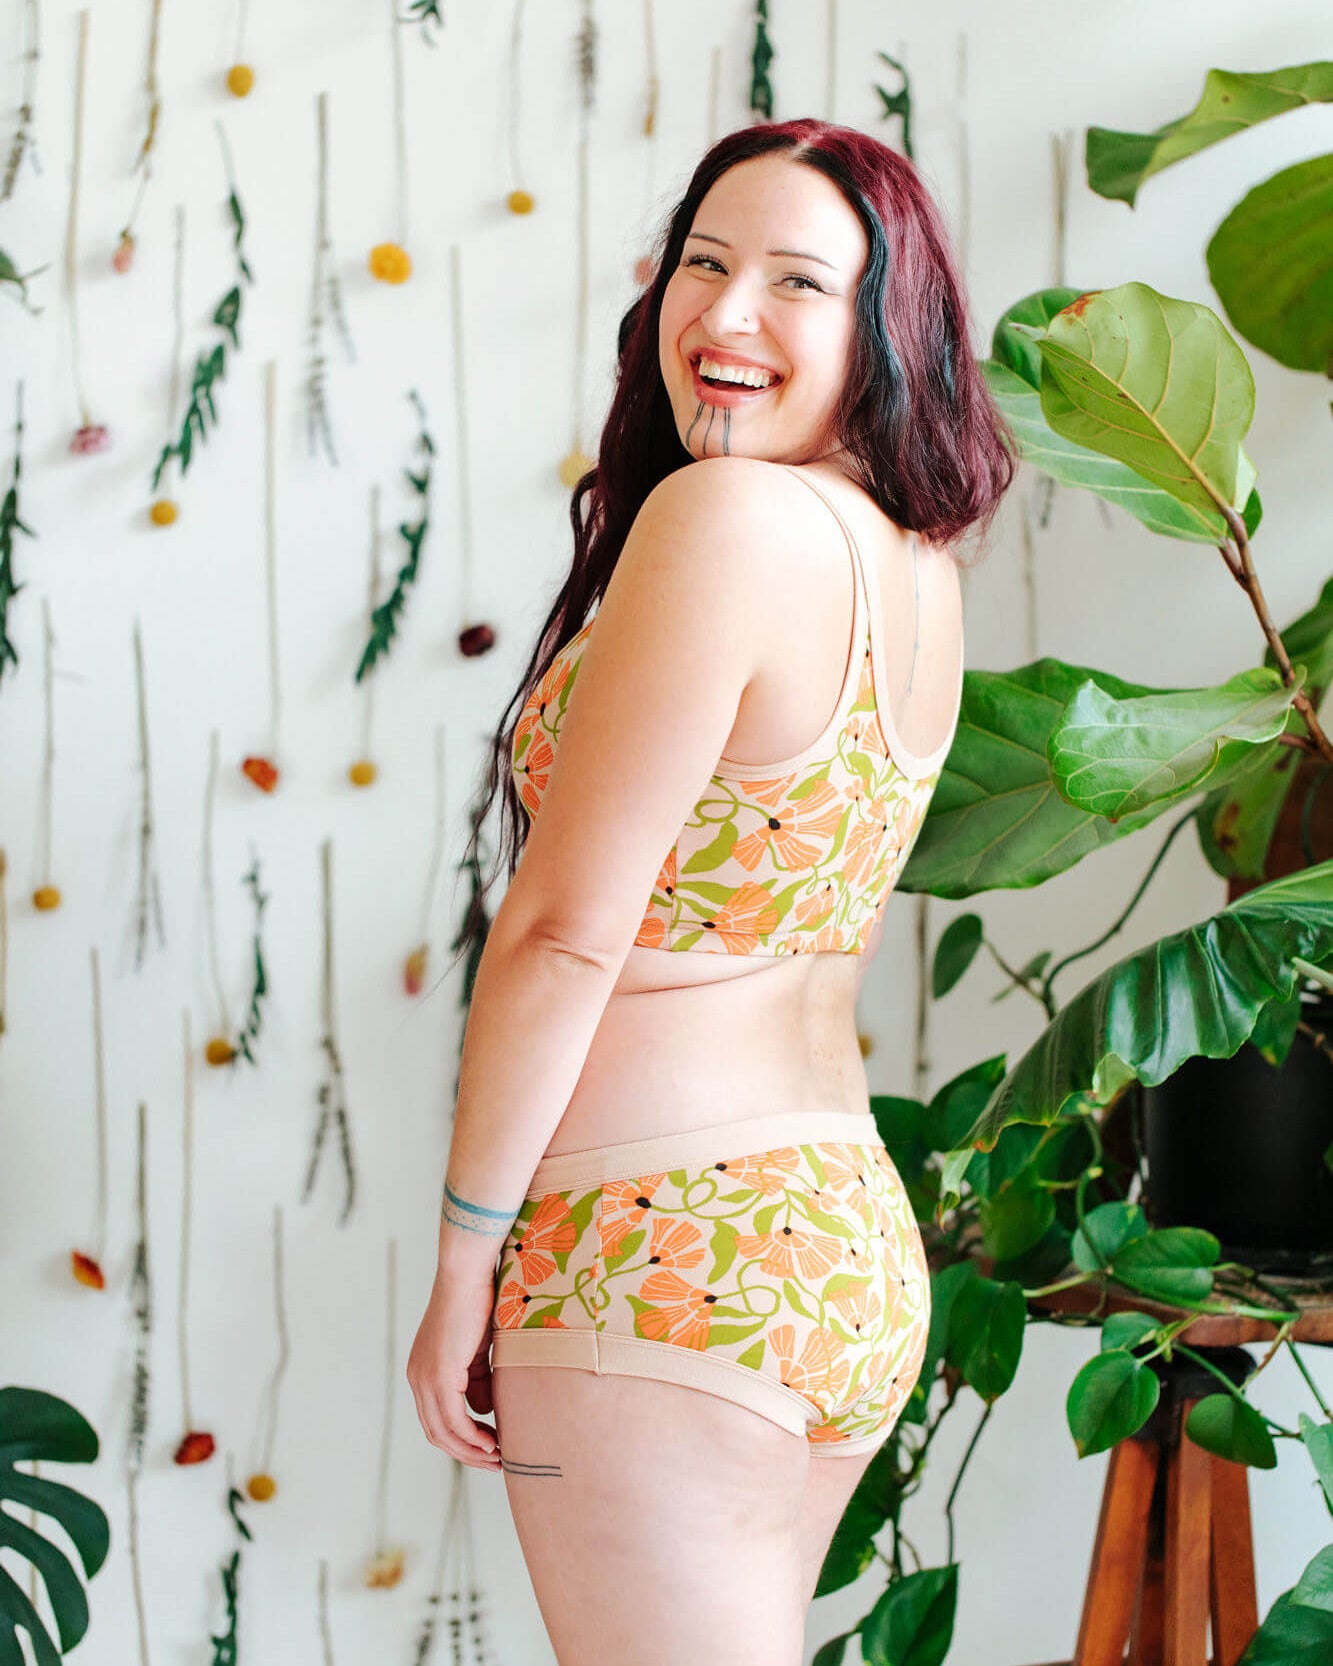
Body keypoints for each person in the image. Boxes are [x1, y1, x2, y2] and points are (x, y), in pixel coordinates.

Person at [407, 117, 1016, 1665]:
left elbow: (561, 934)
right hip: (834, 1238)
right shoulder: (909, 565)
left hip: (655, 1245)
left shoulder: (725, 521)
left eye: (796, 281)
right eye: (703, 262)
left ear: (885, 330)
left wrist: (466, 1255)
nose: (726, 315)